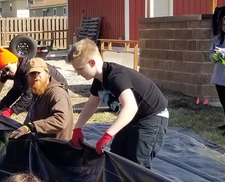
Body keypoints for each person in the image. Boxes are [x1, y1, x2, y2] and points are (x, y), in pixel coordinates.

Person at [68, 38, 168, 168]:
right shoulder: (99, 79)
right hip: (133, 118)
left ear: (92, 62)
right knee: (117, 155)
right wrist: (77, 128)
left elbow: (130, 107)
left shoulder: (115, 77)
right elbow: (92, 104)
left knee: (137, 162)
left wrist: (107, 135)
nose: (77, 73)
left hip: (151, 116)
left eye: (80, 69)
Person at [0, 47, 68, 120]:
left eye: (7, 69)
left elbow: (28, 96)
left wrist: (11, 111)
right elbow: (16, 90)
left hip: (56, 91)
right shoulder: (17, 71)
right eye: (3, 72)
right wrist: (2, 105)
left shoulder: (26, 70)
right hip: (41, 92)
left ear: (14, 61)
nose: (7, 73)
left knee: (36, 119)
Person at [8, 58, 74, 141]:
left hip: (58, 147)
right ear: (27, 77)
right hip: (42, 144)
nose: (36, 77)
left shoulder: (57, 93)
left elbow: (60, 120)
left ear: (47, 74)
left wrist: (31, 127)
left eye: (39, 73)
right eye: (32, 74)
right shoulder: (38, 91)